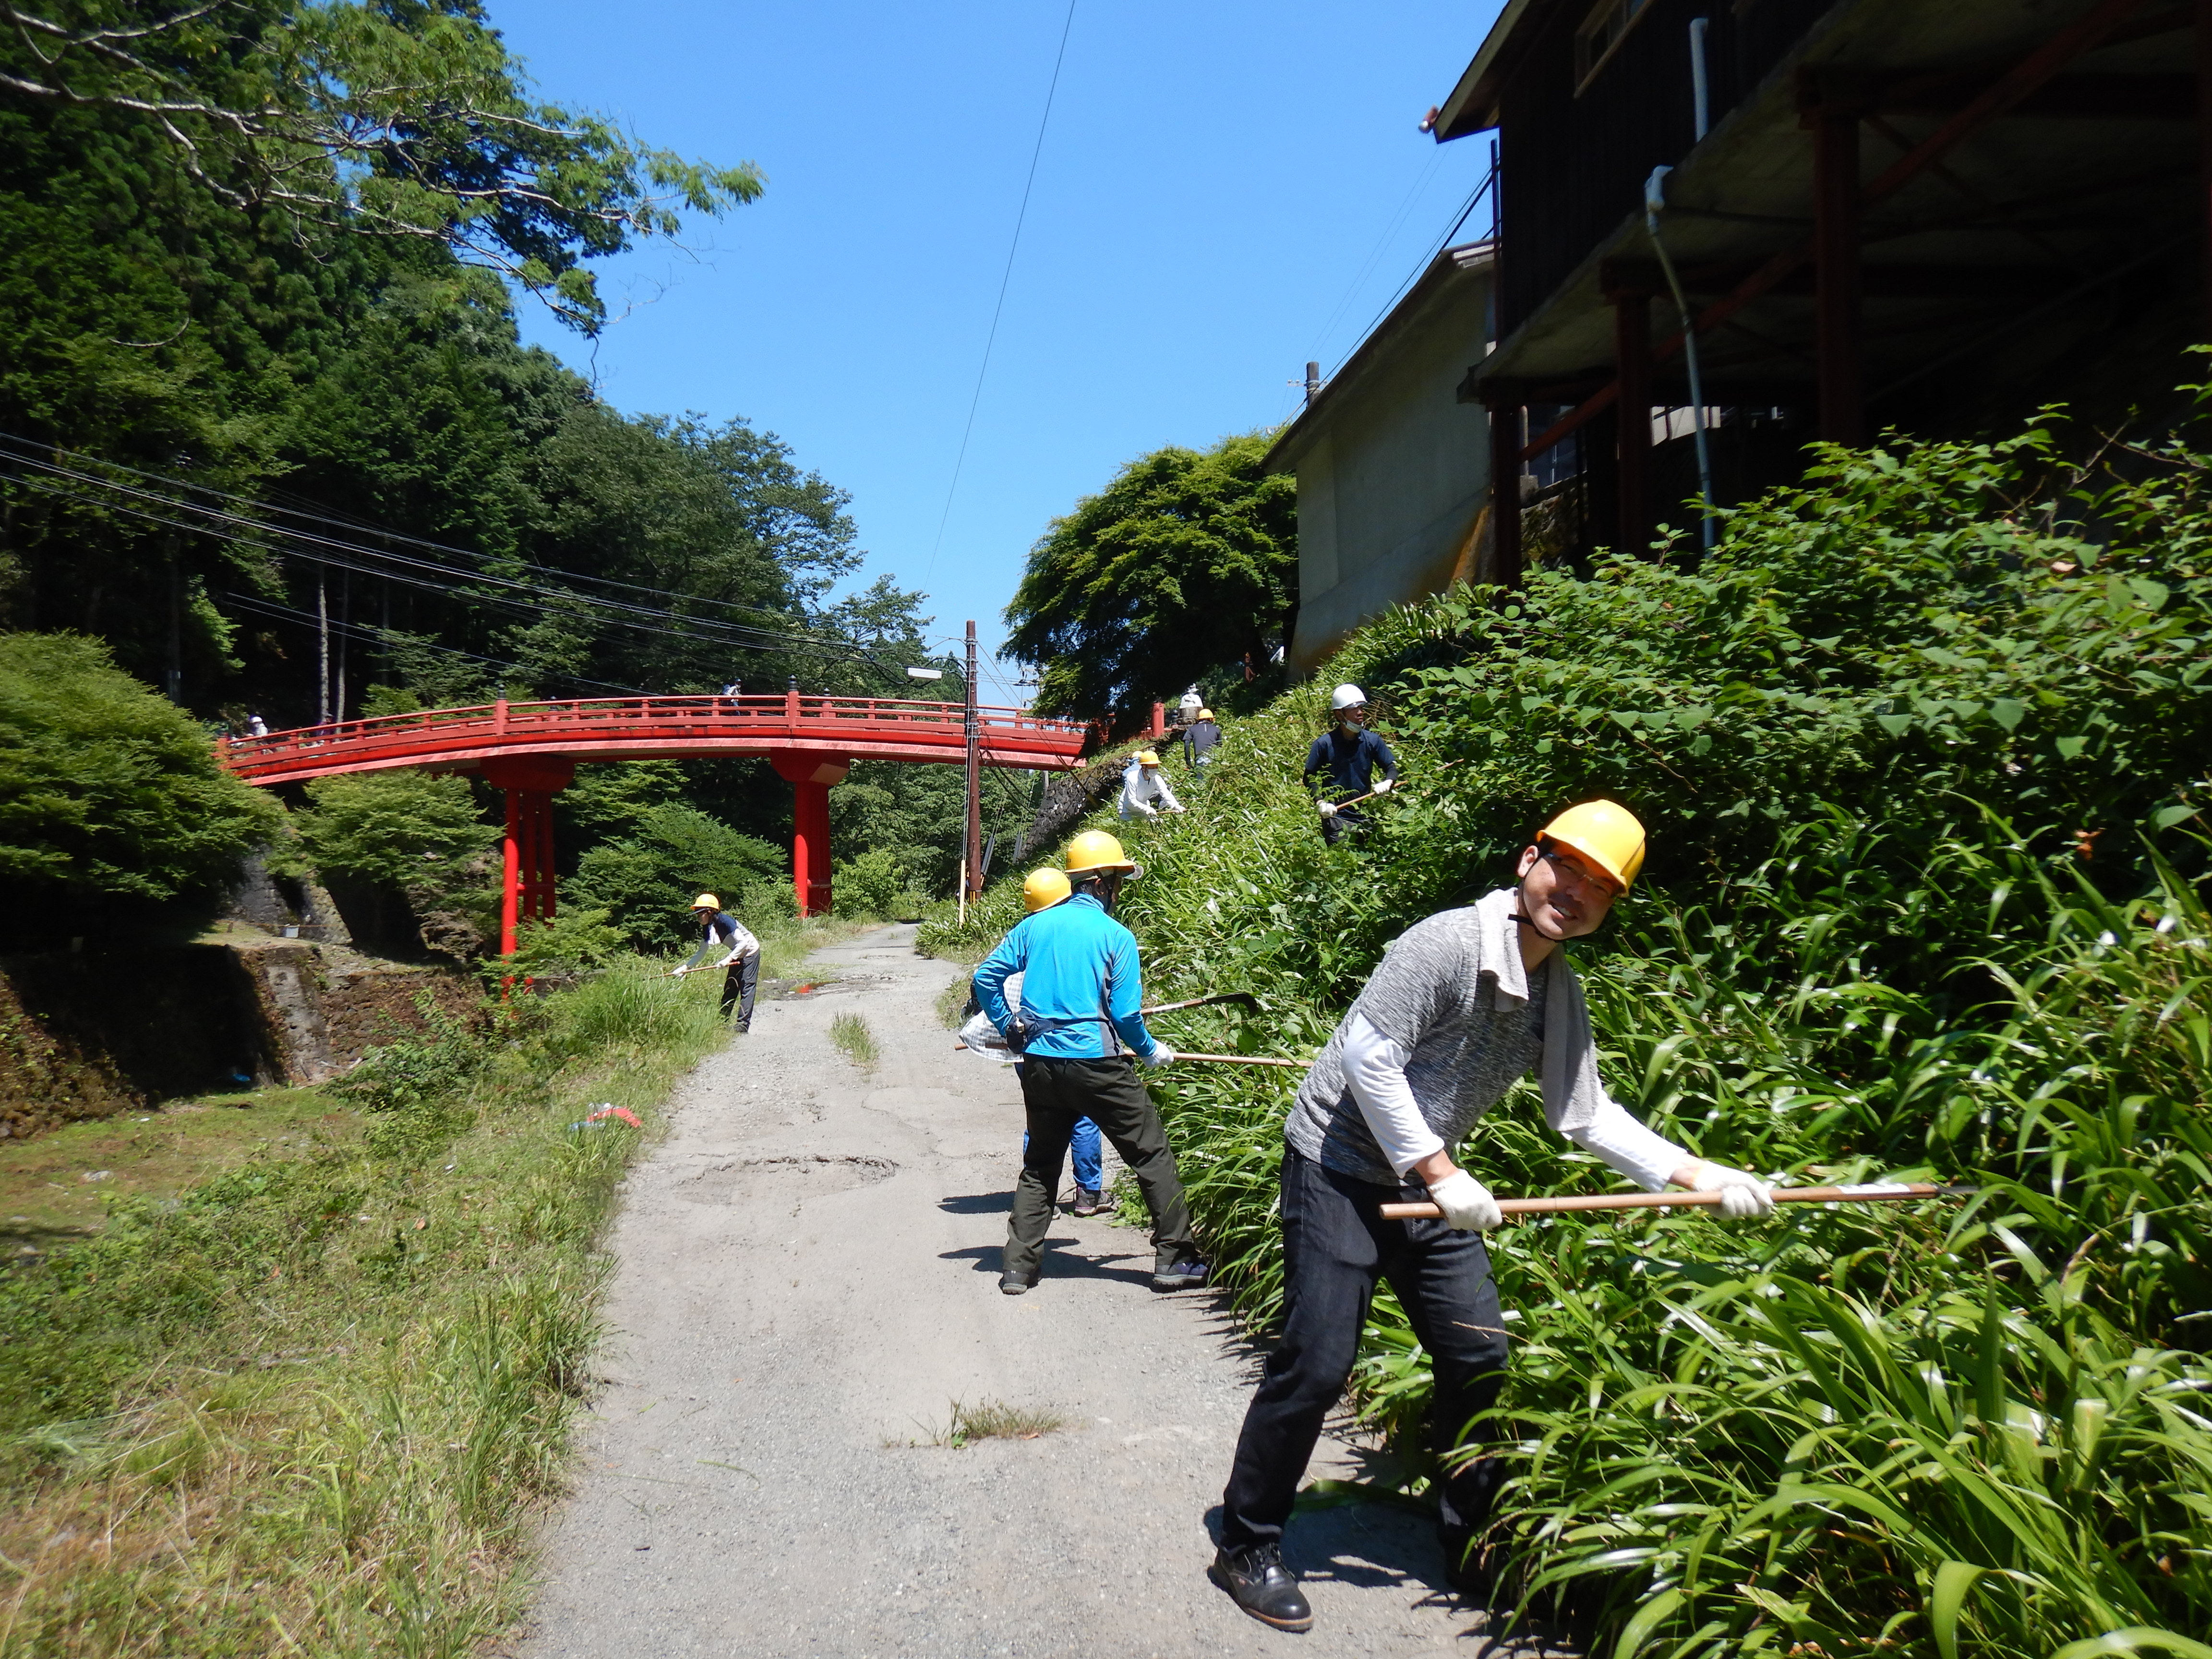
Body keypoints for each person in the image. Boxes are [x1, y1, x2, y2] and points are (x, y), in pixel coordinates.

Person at [1207, 801, 1777, 1633]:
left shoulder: (1554, 989)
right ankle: (1246, 1542)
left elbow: (1582, 1112)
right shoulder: (1443, 944)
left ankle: (1471, 1543)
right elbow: (1369, 1057)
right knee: (1319, 1361)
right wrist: (1438, 1169)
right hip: (1336, 1164)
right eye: (1567, 868)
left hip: (1435, 1184)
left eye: (1600, 886)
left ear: (1609, 908)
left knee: (1477, 1356)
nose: (1575, 893)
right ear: (1527, 860)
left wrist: (1697, 1173)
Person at [973, 830, 1208, 1296]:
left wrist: (1009, 1024)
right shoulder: (1117, 937)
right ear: (1101, 883)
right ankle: (1176, 1259)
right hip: (1096, 1064)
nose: (1119, 889)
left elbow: (985, 976)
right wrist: (1149, 1049)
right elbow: (1124, 1015)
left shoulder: (1035, 927)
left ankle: (1018, 1268)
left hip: (1039, 1061)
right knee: (1151, 1152)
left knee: (1040, 1164)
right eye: (1118, 880)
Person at [1002, 868, 1117, 1218]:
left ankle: (1041, 1202)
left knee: (1040, 1124)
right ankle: (1088, 1194)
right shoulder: (1063, 938)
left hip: (1031, 1051)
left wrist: (1007, 1026)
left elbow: (990, 982)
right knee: (1083, 1118)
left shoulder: (1023, 937)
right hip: (1075, 1049)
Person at [1304, 685, 1398, 846]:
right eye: (1354, 709)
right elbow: (1309, 778)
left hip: (1366, 815)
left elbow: (1391, 768)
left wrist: (1388, 782)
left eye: (1361, 707)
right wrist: (1321, 803)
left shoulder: (1372, 741)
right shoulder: (1324, 745)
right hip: (1336, 817)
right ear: (1340, 714)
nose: (1360, 712)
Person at [674, 894, 761, 1032]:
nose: (697, 918)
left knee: (747, 987)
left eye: (699, 914)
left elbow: (743, 943)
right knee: (731, 987)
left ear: (709, 912)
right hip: (737, 954)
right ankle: (722, 1021)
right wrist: (686, 967)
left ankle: (743, 1025)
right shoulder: (708, 928)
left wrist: (728, 959)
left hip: (750, 952)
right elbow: (702, 952)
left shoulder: (726, 922)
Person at [1118, 750, 1185, 821]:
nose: (1154, 770)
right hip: (1127, 810)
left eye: (1156, 767)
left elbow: (1166, 793)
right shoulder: (1132, 777)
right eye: (1151, 767)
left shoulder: (1157, 779)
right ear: (1144, 767)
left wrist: (1175, 806)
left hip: (1142, 809)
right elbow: (1131, 801)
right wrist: (1147, 808)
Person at [1182, 707, 1222, 781]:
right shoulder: (1217, 729)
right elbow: (1220, 746)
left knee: (1201, 784)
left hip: (1201, 759)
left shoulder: (1192, 729)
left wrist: (1189, 762)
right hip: (1214, 759)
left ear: (1199, 719)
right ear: (1211, 719)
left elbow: (1187, 744)